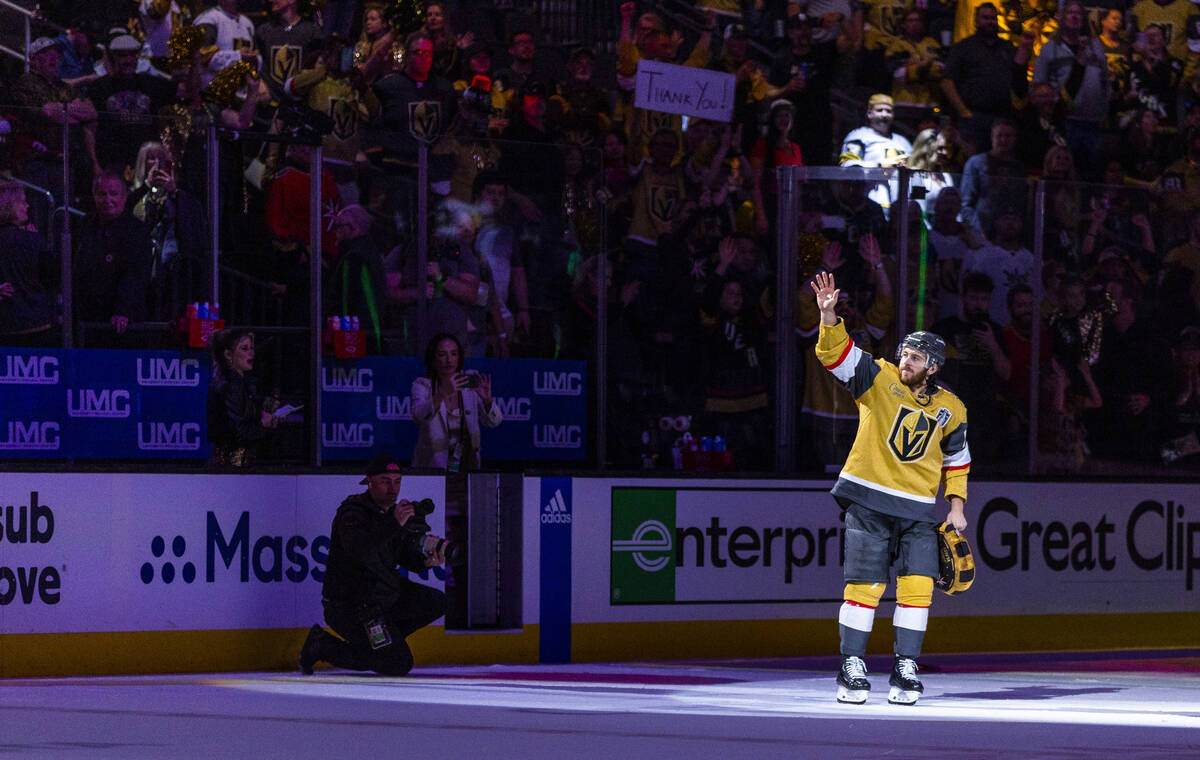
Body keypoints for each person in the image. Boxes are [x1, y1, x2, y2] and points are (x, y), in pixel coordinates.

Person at [811, 270, 970, 706]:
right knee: (864, 586)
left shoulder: (952, 408)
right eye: (905, 353)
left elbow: (957, 460)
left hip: (919, 510)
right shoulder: (878, 379)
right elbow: (835, 356)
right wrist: (828, 317)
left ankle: (905, 668)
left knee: (918, 588)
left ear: (933, 367)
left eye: (916, 358)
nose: (906, 361)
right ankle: (852, 666)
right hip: (868, 502)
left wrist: (955, 507)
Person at [298, 453, 448, 676]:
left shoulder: (392, 514)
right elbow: (360, 549)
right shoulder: (352, 512)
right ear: (369, 481)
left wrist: (425, 561)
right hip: (352, 606)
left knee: (436, 601)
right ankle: (323, 645)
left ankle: (386, 641)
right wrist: (394, 523)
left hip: (383, 597)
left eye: (397, 481)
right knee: (397, 664)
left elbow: (403, 556)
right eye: (385, 481)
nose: (393, 488)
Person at [411, 332, 502, 471]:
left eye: (454, 354)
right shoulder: (422, 385)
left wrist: (487, 401)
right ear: (433, 359)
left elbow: (494, 422)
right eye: (442, 354)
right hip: (433, 467)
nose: (449, 360)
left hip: (468, 464)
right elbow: (419, 416)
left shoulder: (469, 381)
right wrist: (442, 393)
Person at [206, 327, 279, 467]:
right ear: (228, 355)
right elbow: (238, 433)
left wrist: (266, 416)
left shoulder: (241, 383)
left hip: (238, 462)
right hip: (231, 465)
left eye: (252, 348)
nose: (251, 353)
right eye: (244, 349)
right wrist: (263, 423)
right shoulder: (230, 386)